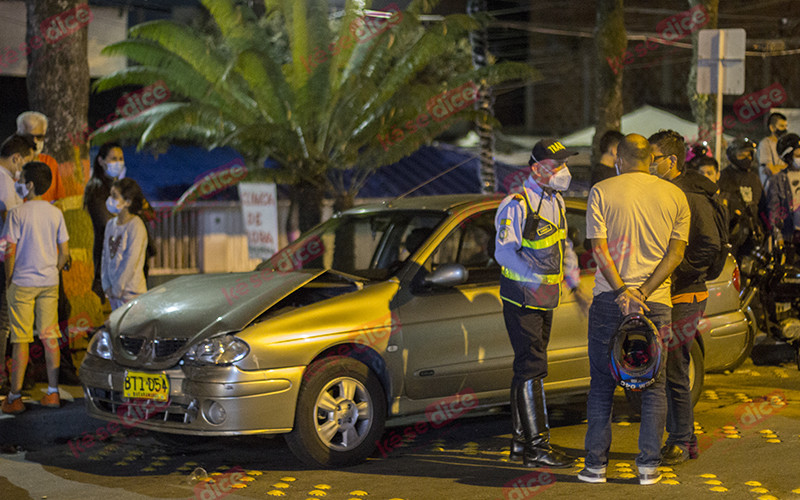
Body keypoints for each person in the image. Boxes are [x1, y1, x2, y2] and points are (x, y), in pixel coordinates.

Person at [579, 134, 689, 485]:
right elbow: (676, 255)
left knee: (601, 384)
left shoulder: (602, 191)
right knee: (654, 386)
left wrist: (624, 291)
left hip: (609, 300)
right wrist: (641, 291)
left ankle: (595, 467)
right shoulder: (675, 195)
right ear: (650, 159)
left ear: (619, 159)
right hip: (656, 302)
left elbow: (599, 249)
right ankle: (647, 467)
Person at [494, 138, 586, 469]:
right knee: (533, 367)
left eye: (565, 164)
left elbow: (564, 246)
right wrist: (531, 278)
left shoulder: (556, 202)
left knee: (527, 367)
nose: (564, 171)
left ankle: (521, 445)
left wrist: (574, 283)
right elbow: (504, 251)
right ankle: (537, 447)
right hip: (521, 299)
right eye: (557, 165)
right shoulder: (517, 204)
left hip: (546, 299)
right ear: (537, 169)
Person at [648, 130, 720, 465]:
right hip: (670, 293)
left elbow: (710, 244)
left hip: (686, 293)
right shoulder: (665, 190)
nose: (649, 164)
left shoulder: (690, 194)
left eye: (654, 158)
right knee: (669, 366)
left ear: (671, 161)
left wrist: (677, 271)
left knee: (675, 367)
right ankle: (686, 440)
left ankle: (678, 440)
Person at [1, 162, 70, 414]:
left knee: (20, 339)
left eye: (21, 179)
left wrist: (9, 279)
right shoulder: (56, 214)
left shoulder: (17, 214)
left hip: (22, 283)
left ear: (29, 185)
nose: (17, 183)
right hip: (49, 282)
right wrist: (53, 268)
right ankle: (53, 393)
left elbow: (9, 250)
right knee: (50, 335)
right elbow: (64, 252)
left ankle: (15, 397)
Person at [0, 135, 36, 392]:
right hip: (4, 261)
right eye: (25, 165)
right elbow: (11, 228)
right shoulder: (4, 181)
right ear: (16, 159)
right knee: (4, 321)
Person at [85, 143, 127, 300]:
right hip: (106, 251)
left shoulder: (120, 185)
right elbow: (104, 222)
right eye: (113, 158)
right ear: (101, 161)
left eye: (121, 158)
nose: (118, 162)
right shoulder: (96, 188)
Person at [102, 178, 148, 310]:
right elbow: (105, 256)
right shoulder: (111, 224)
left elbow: (131, 261)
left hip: (131, 292)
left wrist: (117, 288)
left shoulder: (136, 225)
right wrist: (107, 285)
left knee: (131, 329)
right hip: (113, 292)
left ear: (128, 201)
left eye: (114, 196)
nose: (110, 199)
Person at [718, 139, 764, 262]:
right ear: (732, 156)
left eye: (749, 154)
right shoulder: (723, 177)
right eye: (741, 154)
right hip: (730, 233)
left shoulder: (754, 178)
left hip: (750, 233)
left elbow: (761, 205)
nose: (746, 158)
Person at [16, 112, 66, 203]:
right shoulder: (10, 165)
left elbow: (59, 199)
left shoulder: (50, 162)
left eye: (39, 137)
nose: (35, 141)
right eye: (30, 137)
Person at [766, 132, 800, 264]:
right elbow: (774, 210)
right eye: (798, 155)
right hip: (792, 237)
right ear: (788, 156)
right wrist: (778, 236)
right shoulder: (778, 180)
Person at [757, 112, 789, 188]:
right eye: (781, 126)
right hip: (770, 190)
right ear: (772, 128)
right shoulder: (765, 144)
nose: (785, 129)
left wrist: (779, 167)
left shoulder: (786, 144)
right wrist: (786, 167)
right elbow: (771, 170)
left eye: (786, 126)